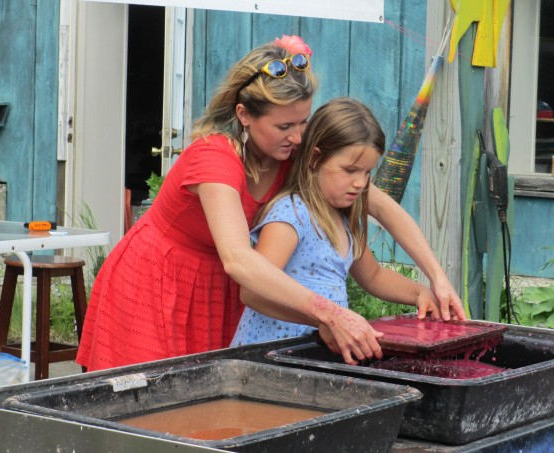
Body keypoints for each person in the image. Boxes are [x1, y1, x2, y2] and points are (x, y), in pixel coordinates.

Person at [77, 35, 464, 372]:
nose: (297, 137)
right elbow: (239, 259)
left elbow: (382, 207)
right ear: (243, 114)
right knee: (145, 405)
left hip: (224, 287)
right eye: (284, 126)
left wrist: (435, 279)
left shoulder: (289, 155)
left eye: (303, 122)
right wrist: (327, 312)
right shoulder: (214, 158)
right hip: (160, 281)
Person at [231, 98, 443, 356]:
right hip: (269, 356)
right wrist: (323, 320)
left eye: (367, 173)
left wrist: (420, 292)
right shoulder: (291, 214)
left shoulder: (344, 218)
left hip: (314, 355)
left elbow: (373, 275)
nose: (359, 183)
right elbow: (253, 293)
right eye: (350, 170)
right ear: (314, 159)